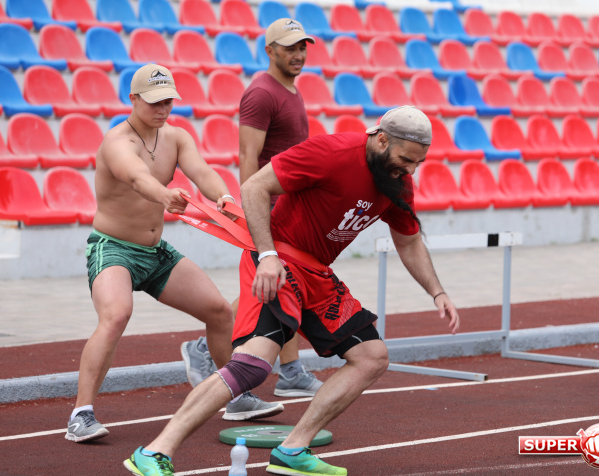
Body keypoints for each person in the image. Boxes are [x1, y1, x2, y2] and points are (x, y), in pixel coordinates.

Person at [124, 105, 461, 476]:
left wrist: (437, 291)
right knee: (253, 365)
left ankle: (292, 450)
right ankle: (154, 451)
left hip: (316, 273)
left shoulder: (396, 182)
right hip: (278, 259)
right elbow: (254, 187)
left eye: (418, 163)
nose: (410, 170)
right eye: (405, 160)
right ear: (381, 140)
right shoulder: (331, 152)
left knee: (371, 357)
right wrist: (267, 255)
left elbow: (409, 242)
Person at [65, 64, 243, 443]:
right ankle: (81, 414)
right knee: (116, 315)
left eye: (168, 102)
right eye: (154, 102)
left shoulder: (176, 137)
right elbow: (136, 177)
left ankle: (236, 395)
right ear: (133, 99)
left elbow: (202, 172)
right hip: (114, 248)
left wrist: (224, 197)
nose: (163, 109)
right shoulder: (117, 142)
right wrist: (165, 195)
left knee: (219, 311)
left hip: (155, 251)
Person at [180, 18, 323, 421]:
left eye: (303, 46)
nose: (298, 54)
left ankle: (290, 371)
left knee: (285, 283)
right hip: (268, 209)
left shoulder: (289, 88)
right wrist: (254, 211)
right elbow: (248, 157)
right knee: (271, 284)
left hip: (288, 207)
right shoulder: (261, 93)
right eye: (290, 47)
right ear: (270, 50)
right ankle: (205, 349)